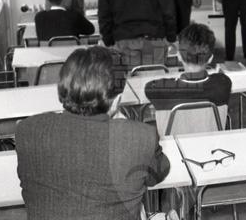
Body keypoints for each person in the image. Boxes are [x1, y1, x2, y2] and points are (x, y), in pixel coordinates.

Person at [16, 47, 170, 220]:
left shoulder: (27, 131)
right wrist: (121, 120)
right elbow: (159, 173)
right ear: (116, 101)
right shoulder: (140, 137)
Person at [145, 23, 232, 134]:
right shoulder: (223, 84)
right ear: (210, 58)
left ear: (179, 56)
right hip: (212, 144)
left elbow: (148, 87)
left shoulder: (156, 89)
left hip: (172, 145)